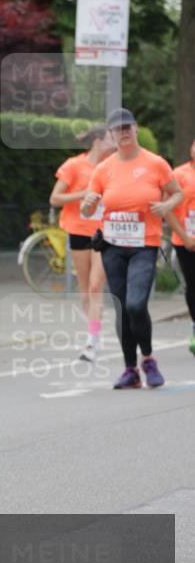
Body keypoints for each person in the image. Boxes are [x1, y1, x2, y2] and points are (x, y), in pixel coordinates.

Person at [81, 108, 183, 389]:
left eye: (128, 127)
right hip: (112, 247)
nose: (124, 132)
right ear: (111, 135)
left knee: (136, 304)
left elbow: (177, 192)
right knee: (122, 309)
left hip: (144, 245)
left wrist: (166, 205)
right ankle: (130, 370)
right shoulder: (104, 169)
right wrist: (87, 204)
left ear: (136, 129)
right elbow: (87, 208)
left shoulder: (156, 163)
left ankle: (148, 359)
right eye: (118, 129)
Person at [49, 126, 115, 361]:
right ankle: (92, 330)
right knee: (85, 288)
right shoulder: (74, 165)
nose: (115, 141)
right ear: (98, 140)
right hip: (78, 231)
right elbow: (54, 199)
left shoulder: (113, 166)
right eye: (111, 137)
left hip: (103, 233)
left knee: (97, 286)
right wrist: (83, 194)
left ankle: (91, 341)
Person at [165, 137, 195, 355]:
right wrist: (185, 237)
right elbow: (166, 209)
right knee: (193, 286)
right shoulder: (178, 174)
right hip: (186, 240)